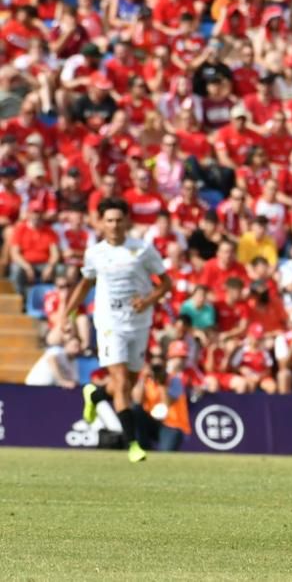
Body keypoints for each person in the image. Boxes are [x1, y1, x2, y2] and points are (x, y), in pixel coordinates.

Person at [60, 197, 172, 463]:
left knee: (129, 382)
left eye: (119, 220)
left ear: (127, 221)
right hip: (110, 324)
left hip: (139, 323)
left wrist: (147, 301)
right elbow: (85, 284)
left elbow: (166, 283)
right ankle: (132, 443)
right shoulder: (94, 253)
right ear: (100, 223)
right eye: (109, 220)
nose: (114, 225)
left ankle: (95, 394)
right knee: (122, 383)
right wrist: (67, 313)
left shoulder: (143, 249)